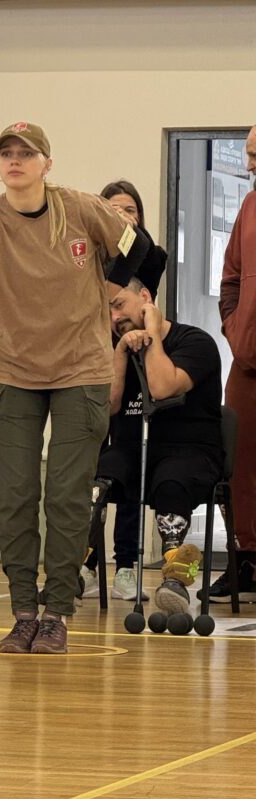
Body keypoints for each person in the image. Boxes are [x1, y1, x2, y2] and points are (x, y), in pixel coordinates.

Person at [0, 121, 150, 654]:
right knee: (13, 496)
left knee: (66, 495)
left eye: (26, 153)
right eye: (6, 153)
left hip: (81, 370)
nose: (15, 160)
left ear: (46, 164)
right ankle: (24, 611)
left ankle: (57, 612)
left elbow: (142, 248)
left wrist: (109, 285)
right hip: (14, 370)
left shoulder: (80, 208)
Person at [100, 277, 223, 615]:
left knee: (171, 481)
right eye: (107, 311)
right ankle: (75, 568)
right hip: (133, 449)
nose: (114, 317)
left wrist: (152, 334)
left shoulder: (196, 342)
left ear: (145, 297)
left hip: (190, 451)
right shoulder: (116, 349)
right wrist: (120, 353)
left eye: (119, 305)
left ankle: (177, 577)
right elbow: (108, 407)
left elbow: (162, 388)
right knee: (96, 478)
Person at [82, 179, 167, 602]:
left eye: (130, 210)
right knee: (90, 468)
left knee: (129, 459)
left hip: (133, 359)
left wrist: (125, 230)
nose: (123, 216)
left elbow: (137, 295)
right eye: (113, 209)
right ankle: (84, 563)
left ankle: (127, 566)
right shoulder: (85, 256)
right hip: (89, 362)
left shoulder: (149, 256)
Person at [199, 125, 256, 603]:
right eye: (248, 155)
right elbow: (231, 279)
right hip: (248, 361)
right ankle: (248, 560)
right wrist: (235, 330)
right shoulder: (249, 206)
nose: (250, 165)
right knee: (239, 462)